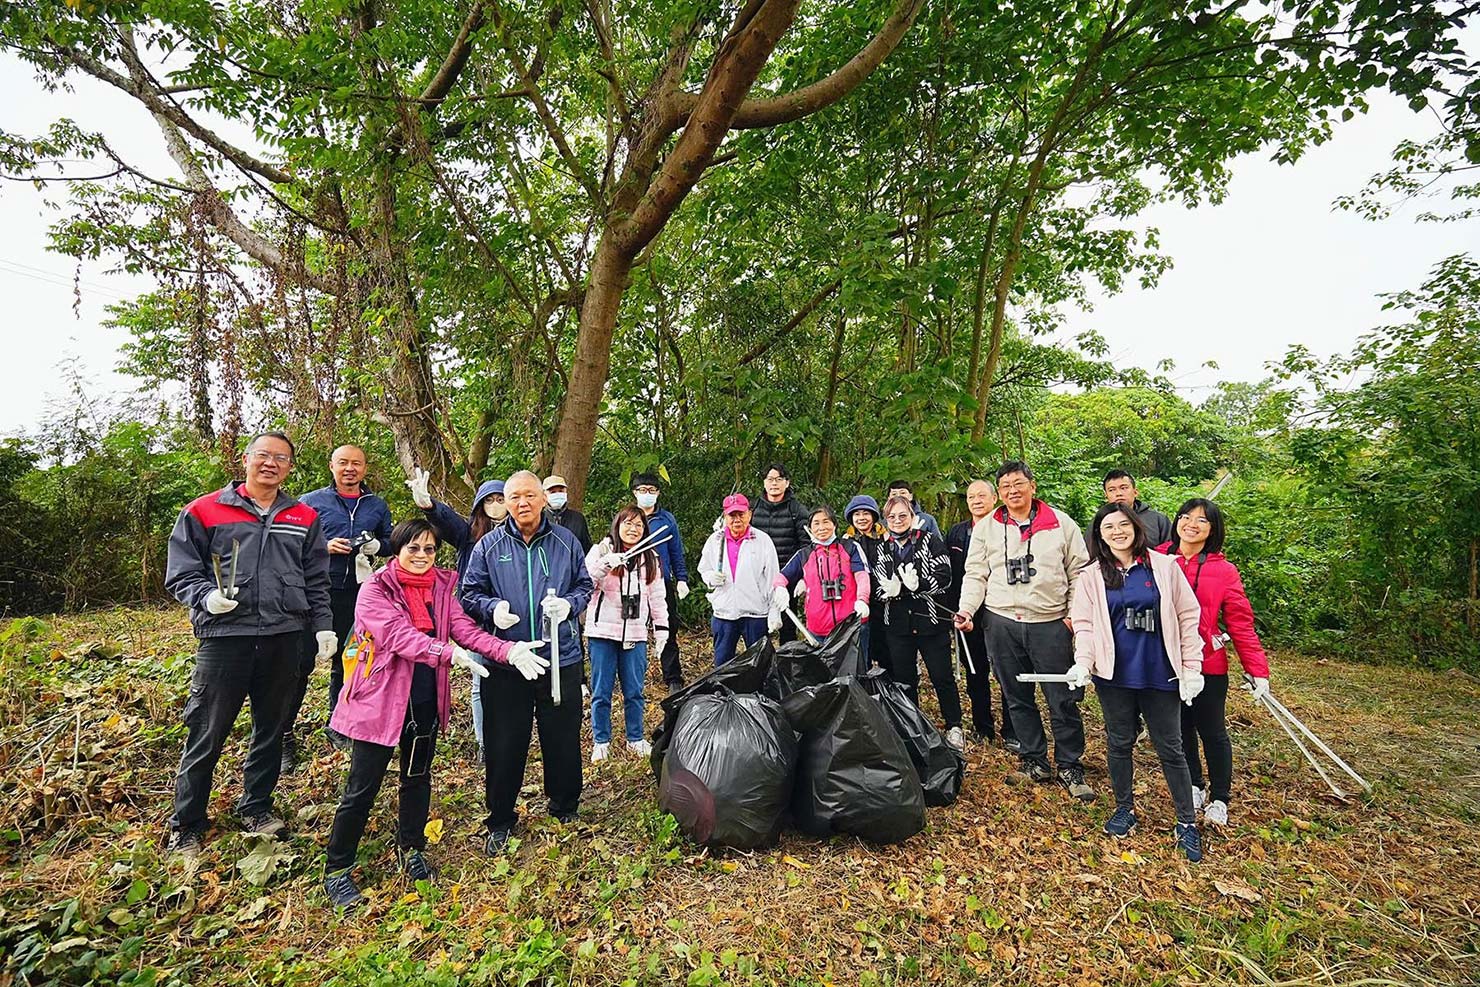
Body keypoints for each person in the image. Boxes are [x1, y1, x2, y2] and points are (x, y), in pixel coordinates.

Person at [321, 519, 547, 907]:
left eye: (429, 549)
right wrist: (446, 653)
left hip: (423, 696)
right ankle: (337, 868)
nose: (422, 556)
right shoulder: (376, 588)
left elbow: (465, 629)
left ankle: (411, 848)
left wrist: (507, 650)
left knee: (417, 776)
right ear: (397, 549)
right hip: (380, 698)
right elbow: (396, 635)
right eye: (413, 548)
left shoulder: (442, 586)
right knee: (362, 786)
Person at [163, 432, 333, 856]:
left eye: (280, 458)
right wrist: (205, 596)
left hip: (283, 637)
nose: (270, 464)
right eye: (263, 455)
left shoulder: (304, 517)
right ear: (246, 459)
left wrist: (323, 627)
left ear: (290, 467)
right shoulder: (204, 511)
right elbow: (181, 572)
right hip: (226, 639)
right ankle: (187, 822)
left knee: (271, 729)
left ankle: (256, 805)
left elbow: (316, 580)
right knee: (207, 730)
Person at [460, 471, 594, 852]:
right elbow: (469, 594)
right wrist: (493, 607)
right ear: (505, 501)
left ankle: (564, 805)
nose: (522, 503)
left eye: (529, 496)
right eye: (514, 496)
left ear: (542, 498)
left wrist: (569, 604)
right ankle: (500, 818)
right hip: (507, 661)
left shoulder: (566, 542)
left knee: (563, 736)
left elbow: (585, 586)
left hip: (559, 655)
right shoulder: (488, 546)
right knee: (505, 742)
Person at [1066, 503, 1205, 862]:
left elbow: (1187, 616)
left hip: (1160, 671)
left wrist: (1192, 667)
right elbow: (1084, 624)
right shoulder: (1093, 575)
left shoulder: (1163, 567)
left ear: (1136, 527)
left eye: (1122, 524)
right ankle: (1124, 808)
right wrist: (1083, 662)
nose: (1116, 531)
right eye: (1108, 526)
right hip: (1115, 674)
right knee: (1119, 741)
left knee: (1170, 746)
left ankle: (1186, 821)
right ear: (1099, 534)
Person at [954, 460, 1094, 799]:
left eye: (1018, 483)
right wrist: (967, 609)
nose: (1012, 491)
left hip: (1050, 622)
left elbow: (1080, 572)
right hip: (1001, 621)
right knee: (1016, 696)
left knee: (1061, 698)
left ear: (1032, 486)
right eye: (1005, 486)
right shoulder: (988, 527)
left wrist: (1074, 616)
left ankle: (1070, 764)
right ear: (999, 492)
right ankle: (1034, 760)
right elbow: (976, 574)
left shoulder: (1060, 524)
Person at [1161, 498, 1270, 827]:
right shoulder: (1157, 558)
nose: (1191, 524)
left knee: (1212, 731)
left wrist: (1257, 670)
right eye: (1186, 516)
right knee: (1181, 728)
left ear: (1213, 529)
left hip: (1208, 664)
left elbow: (1239, 623)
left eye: (1202, 520)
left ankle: (1220, 797)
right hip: (1166, 662)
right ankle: (1194, 784)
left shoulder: (1223, 570)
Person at [288, 444, 394, 764]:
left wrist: (378, 545)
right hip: (315, 592)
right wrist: (323, 546)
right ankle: (282, 734)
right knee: (300, 663)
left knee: (348, 662)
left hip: (358, 594)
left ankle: (339, 725)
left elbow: (390, 542)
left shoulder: (376, 505)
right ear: (331, 466)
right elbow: (289, 541)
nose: (350, 469)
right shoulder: (310, 502)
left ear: (364, 468)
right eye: (343, 463)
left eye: (356, 464)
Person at [406, 471, 509, 761]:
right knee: (480, 682)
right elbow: (447, 522)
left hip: (511, 618)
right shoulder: (469, 535)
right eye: (489, 500)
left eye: (501, 499)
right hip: (476, 619)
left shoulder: (518, 534)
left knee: (510, 681)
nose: (495, 505)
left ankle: (508, 738)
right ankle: (483, 744)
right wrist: (429, 506)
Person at [875, 496, 963, 749]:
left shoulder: (930, 541)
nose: (897, 521)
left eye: (903, 515)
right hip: (898, 624)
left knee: (942, 675)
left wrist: (918, 585)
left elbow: (944, 576)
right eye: (892, 517)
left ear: (913, 516)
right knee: (904, 678)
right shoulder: (884, 547)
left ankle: (954, 725)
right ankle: (912, 723)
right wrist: (893, 590)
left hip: (931, 622)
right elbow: (878, 584)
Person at [584, 507, 669, 761]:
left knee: (634, 690)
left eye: (639, 525)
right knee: (601, 691)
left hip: (635, 632)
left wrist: (661, 627)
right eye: (628, 523)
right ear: (617, 524)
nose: (633, 529)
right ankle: (601, 740)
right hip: (602, 632)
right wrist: (604, 565)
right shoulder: (601, 551)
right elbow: (583, 582)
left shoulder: (649, 557)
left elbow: (657, 595)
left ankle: (635, 737)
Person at [946, 479, 1016, 749]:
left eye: (982, 495)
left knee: (1007, 671)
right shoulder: (956, 533)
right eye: (971, 496)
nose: (976, 500)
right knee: (976, 672)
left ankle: (1013, 730)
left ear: (994, 498)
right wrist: (957, 611)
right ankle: (982, 727)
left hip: (1001, 612)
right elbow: (952, 576)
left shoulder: (1007, 529)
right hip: (967, 614)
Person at [697, 494, 782, 666]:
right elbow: (704, 568)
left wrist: (775, 609)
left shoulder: (762, 540)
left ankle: (760, 692)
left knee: (760, 662)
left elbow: (773, 577)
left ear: (749, 514)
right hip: (724, 612)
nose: (737, 520)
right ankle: (722, 693)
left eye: (741, 514)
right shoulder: (715, 540)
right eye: (732, 515)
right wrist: (710, 578)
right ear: (725, 516)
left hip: (755, 611)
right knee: (722, 663)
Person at [630, 471, 691, 691]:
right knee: (633, 630)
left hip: (662, 583)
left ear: (658, 493)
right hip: (633, 584)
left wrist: (681, 578)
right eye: (642, 490)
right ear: (634, 493)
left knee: (668, 628)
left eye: (651, 490)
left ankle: (673, 677)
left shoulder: (667, 520)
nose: (647, 494)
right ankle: (633, 677)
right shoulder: (628, 519)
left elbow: (676, 552)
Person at [777, 505, 872, 640]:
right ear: (810, 529)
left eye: (826, 521)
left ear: (834, 524)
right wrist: (780, 589)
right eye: (816, 523)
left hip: (851, 625)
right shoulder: (804, 554)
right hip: (818, 629)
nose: (821, 527)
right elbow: (782, 576)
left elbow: (862, 575)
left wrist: (862, 599)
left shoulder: (850, 547)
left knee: (857, 661)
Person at [749, 464, 810, 643]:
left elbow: (806, 545)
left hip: (787, 575)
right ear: (764, 483)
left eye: (778, 479)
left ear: (787, 482)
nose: (774, 484)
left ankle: (787, 664)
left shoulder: (797, 510)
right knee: (759, 622)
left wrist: (801, 575)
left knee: (788, 622)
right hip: (758, 576)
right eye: (770, 479)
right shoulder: (754, 508)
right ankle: (762, 664)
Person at [844, 494, 888, 667]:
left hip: (883, 600)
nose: (861, 518)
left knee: (884, 646)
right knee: (862, 648)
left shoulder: (885, 537)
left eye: (865, 513)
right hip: (857, 601)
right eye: (857, 514)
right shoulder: (846, 541)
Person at [1102, 470, 1172, 547]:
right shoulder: (1100, 522)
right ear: (1106, 496)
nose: (1119, 493)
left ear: (1135, 492)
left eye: (1124, 488)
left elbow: (1170, 549)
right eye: (1112, 490)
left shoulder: (1158, 520)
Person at [543, 474, 592, 553]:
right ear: (544, 495)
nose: (557, 494)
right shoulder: (539, 519)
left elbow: (586, 549)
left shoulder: (578, 519)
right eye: (552, 492)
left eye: (560, 491)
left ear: (566, 492)